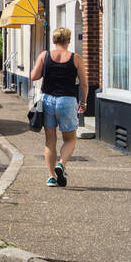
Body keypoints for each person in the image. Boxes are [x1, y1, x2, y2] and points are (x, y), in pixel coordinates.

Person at [29, 28, 87, 187]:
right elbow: (83, 83)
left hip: (47, 99)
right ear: (68, 41)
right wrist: (84, 102)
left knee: (50, 141)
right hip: (68, 101)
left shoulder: (45, 55)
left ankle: (51, 177)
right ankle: (61, 164)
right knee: (69, 139)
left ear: (54, 41)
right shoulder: (76, 58)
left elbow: (34, 76)